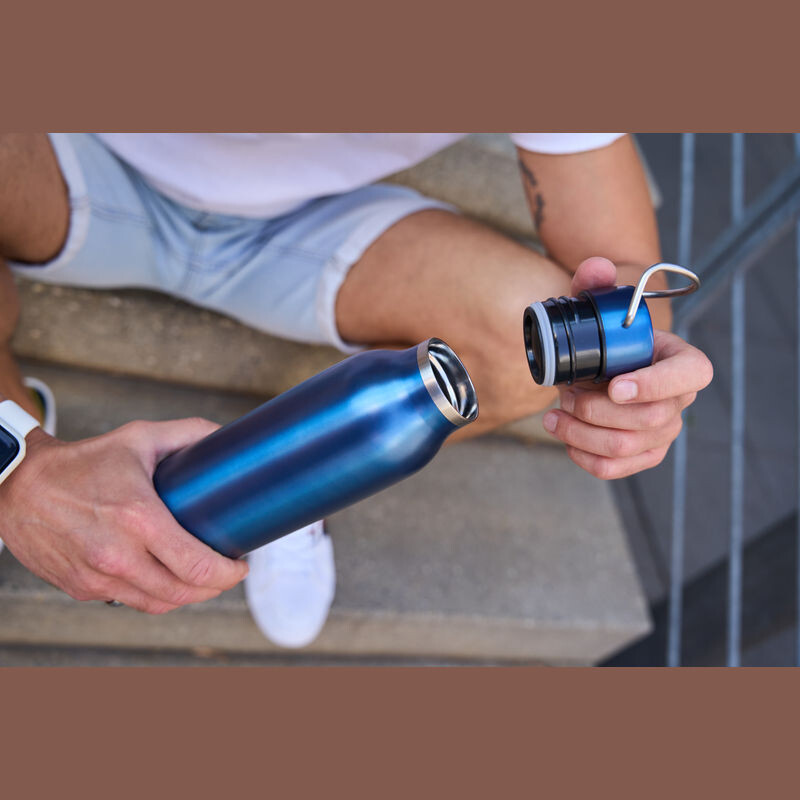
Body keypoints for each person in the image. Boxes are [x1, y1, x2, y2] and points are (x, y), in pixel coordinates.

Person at [0, 133, 713, 648]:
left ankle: (297, 480)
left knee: (524, 339)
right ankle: (20, 428)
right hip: (73, 158)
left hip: (310, 218)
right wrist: (16, 465)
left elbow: (632, 281)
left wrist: (635, 381)